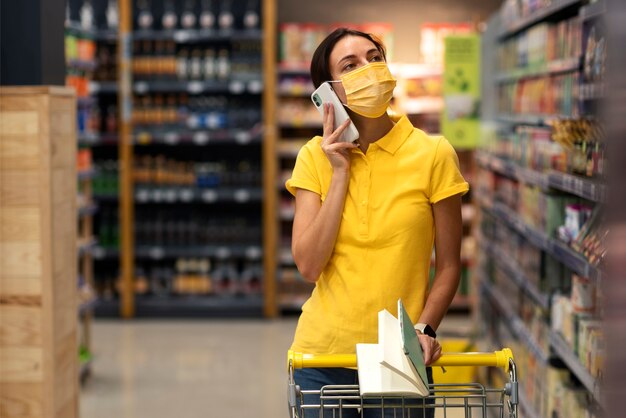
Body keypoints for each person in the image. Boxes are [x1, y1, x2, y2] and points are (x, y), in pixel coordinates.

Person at [286, 27, 469, 418]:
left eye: (374, 58)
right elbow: (308, 265)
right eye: (350, 65)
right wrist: (339, 171)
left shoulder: (433, 153)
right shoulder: (312, 158)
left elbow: (450, 265)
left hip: (400, 358)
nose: (369, 70)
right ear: (329, 92)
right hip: (322, 359)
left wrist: (425, 329)